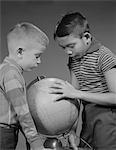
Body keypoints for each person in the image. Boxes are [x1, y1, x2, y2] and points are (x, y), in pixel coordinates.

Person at [50, 11, 116, 150]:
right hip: (87, 117)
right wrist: (72, 130)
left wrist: (77, 94)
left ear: (86, 37)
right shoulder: (73, 59)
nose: (67, 52)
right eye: (63, 47)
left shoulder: (104, 56)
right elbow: (73, 96)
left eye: (71, 46)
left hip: (108, 118)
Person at [0, 22, 52, 150]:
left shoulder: (5, 69)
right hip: (3, 134)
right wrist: (35, 143)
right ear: (20, 52)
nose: (39, 61)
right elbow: (22, 113)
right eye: (37, 56)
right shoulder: (11, 74)